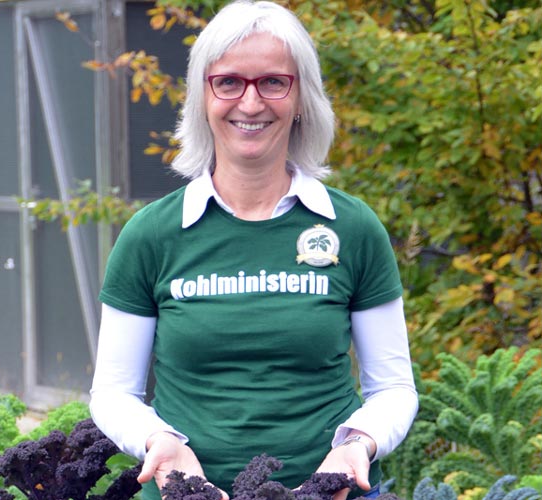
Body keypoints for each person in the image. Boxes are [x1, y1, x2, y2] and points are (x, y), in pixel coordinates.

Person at [89, 1, 419, 500]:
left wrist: (358, 445)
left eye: (272, 82)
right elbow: (113, 393)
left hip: (328, 494)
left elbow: (393, 387)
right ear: (202, 96)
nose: (250, 102)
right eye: (229, 82)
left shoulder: (352, 228)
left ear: (301, 96)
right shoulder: (151, 235)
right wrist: (158, 441)